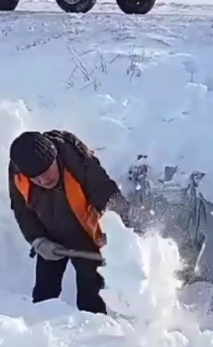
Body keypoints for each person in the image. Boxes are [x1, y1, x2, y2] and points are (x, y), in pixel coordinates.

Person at [8, 129, 132, 314]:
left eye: (46, 172)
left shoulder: (79, 162)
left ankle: (94, 336)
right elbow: (21, 210)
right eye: (36, 178)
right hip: (49, 238)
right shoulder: (19, 169)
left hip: (86, 237)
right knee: (43, 296)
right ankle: (42, 335)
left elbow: (108, 197)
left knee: (90, 299)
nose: (43, 180)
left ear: (55, 158)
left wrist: (125, 235)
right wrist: (37, 240)